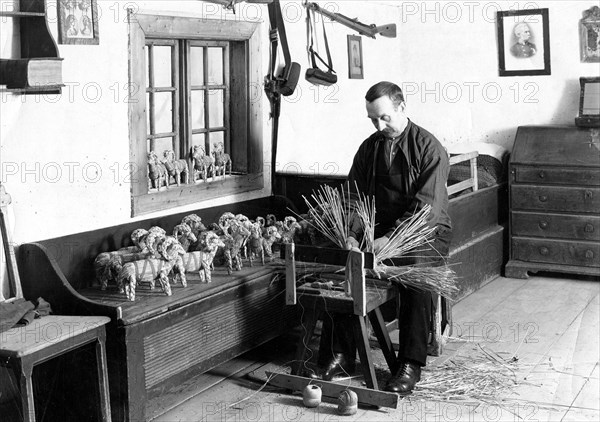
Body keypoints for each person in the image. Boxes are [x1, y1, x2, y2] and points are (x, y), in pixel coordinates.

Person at [313, 81, 452, 395]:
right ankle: (340, 354)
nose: (379, 125)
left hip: (425, 232)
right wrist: (349, 234)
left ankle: (410, 363)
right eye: (373, 119)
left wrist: (389, 241)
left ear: (402, 107)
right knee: (343, 266)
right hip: (378, 230)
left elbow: (426, 209)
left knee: (416, 276)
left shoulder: (429, 149)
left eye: (385, 117)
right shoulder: (370, 147)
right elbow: (352, 196)